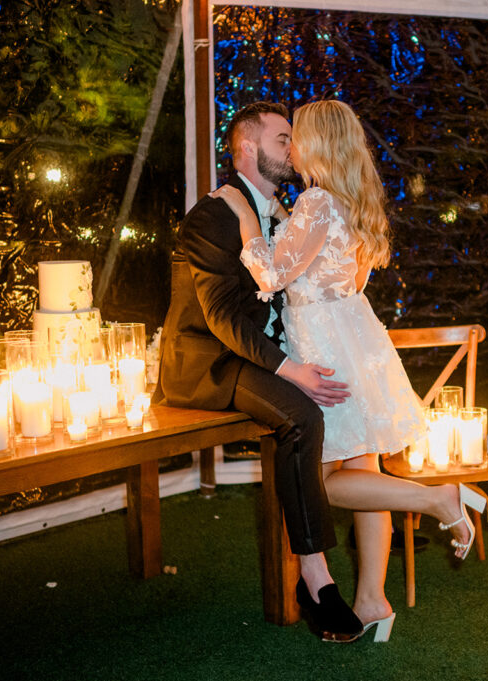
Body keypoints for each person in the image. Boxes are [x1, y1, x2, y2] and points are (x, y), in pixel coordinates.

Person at [212, 99, 486, 643]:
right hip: (358, 340)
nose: (291, 148)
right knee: (367, 474)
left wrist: (244, 215)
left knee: (329, 484)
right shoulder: (351, 200)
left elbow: (269, 274)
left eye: (297, 137)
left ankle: (439, 499)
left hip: (327, 350)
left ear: (318, 142)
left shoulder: (315, 201)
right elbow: (333, 273)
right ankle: (372, 599)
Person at [152, 101, 363, 643]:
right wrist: (293, 369)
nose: (292, 150)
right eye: (281, 140)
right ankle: (316, 580)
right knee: (302, 415)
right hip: (210, 362)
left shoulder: (282, 209)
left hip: (254, 354)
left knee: (337, 405)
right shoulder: (213, 215)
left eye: (293, 140)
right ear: (246, 148)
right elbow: (221, 318)